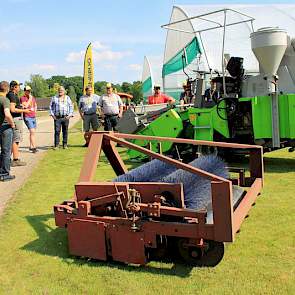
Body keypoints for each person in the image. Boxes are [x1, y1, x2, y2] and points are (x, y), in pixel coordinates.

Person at [7, 80, 30, 167]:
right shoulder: (12, 95)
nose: (19, 88)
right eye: (18, 86)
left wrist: (21, 106)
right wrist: (24, 110)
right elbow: (12, 109)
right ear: (14, 87)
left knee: (15, 139)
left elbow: (14, 107)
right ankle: (15, 160)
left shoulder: (13, 95)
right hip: (15, 119)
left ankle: (9, 159)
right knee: (16, 140)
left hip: (15, 118)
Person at [0, 81, 16, 181]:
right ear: (7, 89)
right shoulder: (4, 99)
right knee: (6, 151)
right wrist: (12, 123)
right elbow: (7, 113)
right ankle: (5, 174)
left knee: (2, 151)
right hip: (5, 127)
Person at [20, 85, 38, 153]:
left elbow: (35, 105)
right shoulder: (23, 98)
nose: (29, 92)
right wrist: (30, 99)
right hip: (27, 117)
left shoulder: (32, 97)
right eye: (27, 91)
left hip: (33, 116)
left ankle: (30, 146)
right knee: (32, 131)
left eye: (29, 90)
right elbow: (25, 106)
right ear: (25, 91)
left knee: (32, 133)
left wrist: (35, 111)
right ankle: (34, 147)